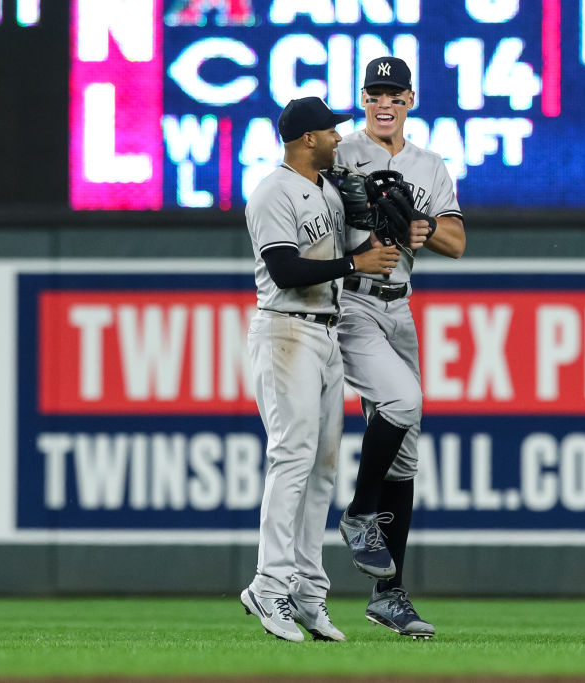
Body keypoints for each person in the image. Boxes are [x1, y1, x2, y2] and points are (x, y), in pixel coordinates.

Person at [240, 96, 400, 643]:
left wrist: (386, 226)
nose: (338, 137)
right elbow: (284, 269)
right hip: (286, 329)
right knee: (292, 456)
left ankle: (308, 592)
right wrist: (356, 262)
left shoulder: (330, 188)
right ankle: (268, 586)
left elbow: (359, 241)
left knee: (323, 469)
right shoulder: (271, 191)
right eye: (330, 130)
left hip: (327, 330)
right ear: (307, 139)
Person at [333, 56, 466, 639]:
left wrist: (422, 230)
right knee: (404, 403)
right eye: (374, 93)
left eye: (394, 92)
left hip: (399, 303)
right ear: (364, 100)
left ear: (410, 99)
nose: (384, 102)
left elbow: (457, 242)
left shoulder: (429, 164)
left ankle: (389, 594)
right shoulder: (340, 154)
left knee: (406, 455)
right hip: (352, 299)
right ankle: (360, 512)